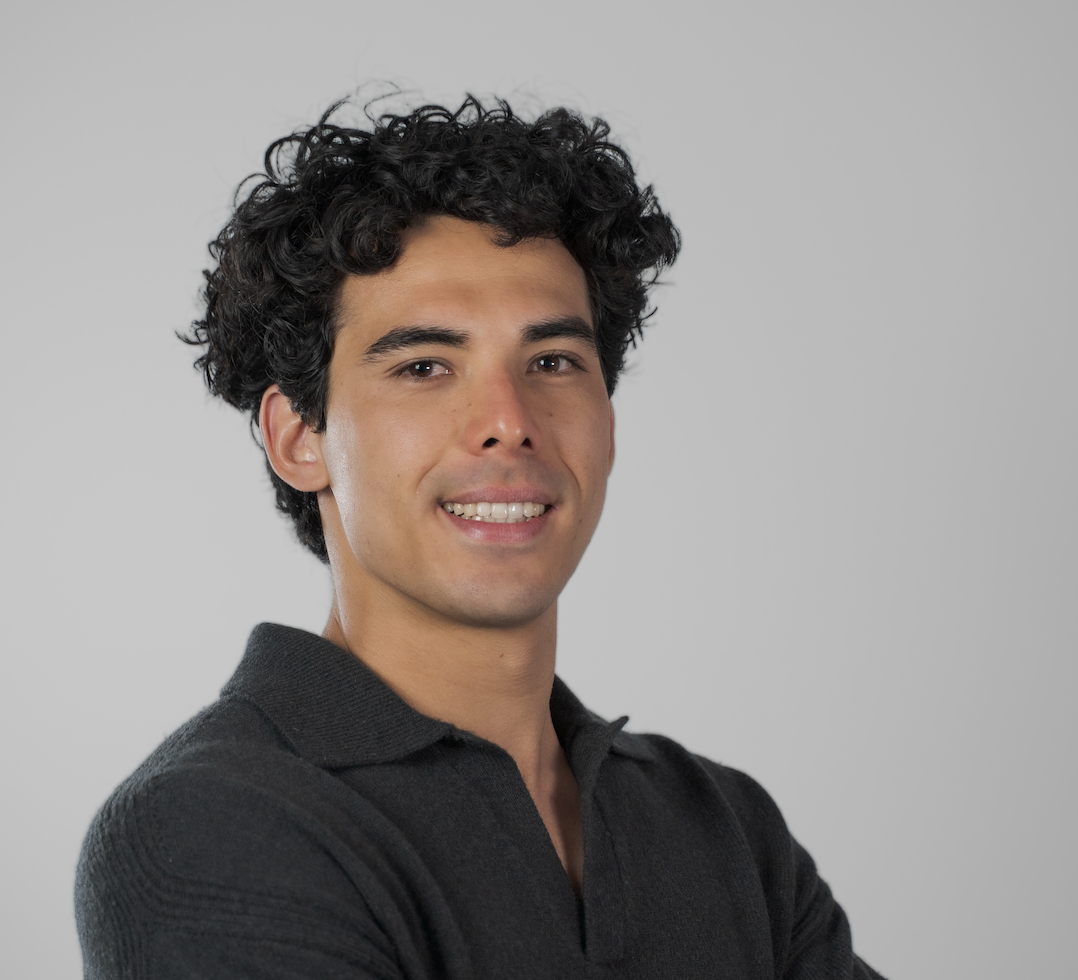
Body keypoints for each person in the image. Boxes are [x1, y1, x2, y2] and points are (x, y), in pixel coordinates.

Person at [75, 96, 884, 979]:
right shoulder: (209, 821)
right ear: (299, 438)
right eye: (425, 366)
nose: (509, 420)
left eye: (552, 363)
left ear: (608, 421)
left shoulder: (729, 830)